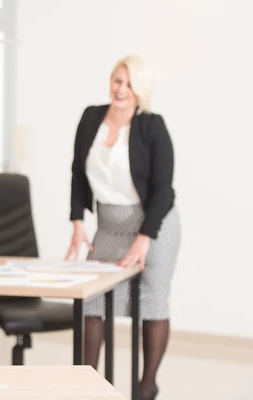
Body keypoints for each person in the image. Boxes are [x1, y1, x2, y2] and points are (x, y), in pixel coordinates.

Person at [66, 56, 181, 400]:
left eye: (130, 84)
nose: (121, 89)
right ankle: (89, 383)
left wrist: (145, 239)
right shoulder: (91, 118)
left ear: (141, 91)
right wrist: (76, 223)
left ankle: (146, 387)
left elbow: (163, 189)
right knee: (93, 299)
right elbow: (76, 171)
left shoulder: (152, 125)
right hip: (109, 224)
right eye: (118, 81)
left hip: (154, 224)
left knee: (151, 300)